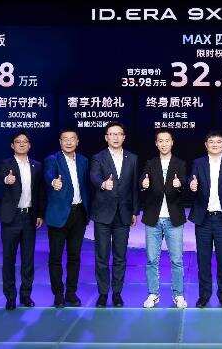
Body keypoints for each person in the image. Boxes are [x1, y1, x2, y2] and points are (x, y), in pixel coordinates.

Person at [189, 130, 222, 308]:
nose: (215, 145)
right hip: (203, 219)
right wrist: (192, 186)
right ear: (206, 145)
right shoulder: (198, 163)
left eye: (218, 142)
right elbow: (191, 183)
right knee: (203, 260)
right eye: (211, 142)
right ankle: (204, 295)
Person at [89, 122, 138, 308]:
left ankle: (117, 293)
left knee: (120, 256)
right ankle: (103, 293)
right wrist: (103, 184)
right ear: (106, 137)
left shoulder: (132, 158)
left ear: (124, 137)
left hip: (123, 214)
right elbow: (94, 176)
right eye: (112, 134)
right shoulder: (98, 157)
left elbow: (134, 187)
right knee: (102, 256)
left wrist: (134, 211)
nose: (115, 137)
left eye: (119, 134)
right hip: (103, 214)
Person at [0, 131, 45, 310]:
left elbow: (39, 192)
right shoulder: (6, 164)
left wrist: (39, 214)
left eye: (25, 142)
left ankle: (26, 295)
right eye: (18, 142)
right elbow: (0, 178)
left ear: (29, 145)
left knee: (28, 259)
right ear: (13, 145)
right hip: (11, 218)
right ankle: (10, 297)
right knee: (8, 259)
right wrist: (6, 179)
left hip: (29, 217)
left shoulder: (37, 165)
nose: (22, 144)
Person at [139, 129, 188, 308]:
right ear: (156, 143)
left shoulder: (180, 163)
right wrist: (143, 184)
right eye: (161, 141)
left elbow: (186, 187)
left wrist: (180, 184)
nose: (164, 144)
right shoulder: (150, 163)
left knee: (177, 260)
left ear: (172, 142)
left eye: (167, 140)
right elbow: (142, 182)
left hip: (174, 219)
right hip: (153, 218)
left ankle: (179, 295)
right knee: (152, 260)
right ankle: (153, 294)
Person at [44, 128, 89, 308]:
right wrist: (53, 181)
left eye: (72, 139)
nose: (69, 142)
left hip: (79, 214)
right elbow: (48, 174)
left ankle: (71, 293)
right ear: (60, 142)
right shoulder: (53, 159)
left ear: (77, 141)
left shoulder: (84, 160)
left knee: (74, 256)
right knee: (55, 257)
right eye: (65, 139)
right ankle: (58, 294)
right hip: (59, 215)